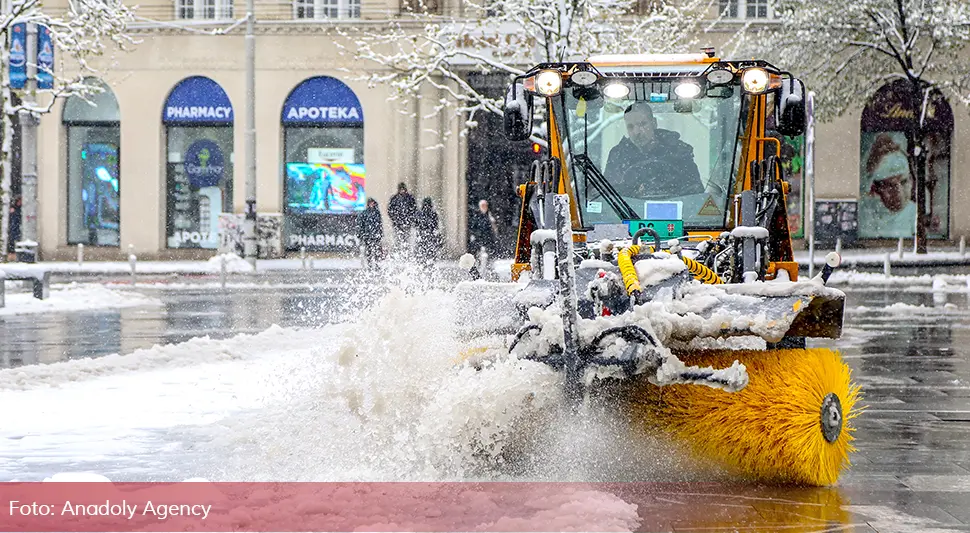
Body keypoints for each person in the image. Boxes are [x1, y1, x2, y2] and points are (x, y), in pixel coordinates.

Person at [603, 103, 704, 199]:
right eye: (630, 127)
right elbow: (609, 194)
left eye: (642, 124)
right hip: (628, 214)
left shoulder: (679, 151)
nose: (636, 132)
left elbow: (694, 193)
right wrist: (634, 192)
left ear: (654, 123)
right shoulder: (618, 155)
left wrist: (670, 191)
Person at [468, 199, 498, 276]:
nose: (484, 207)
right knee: (476, 254)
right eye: (482, 206)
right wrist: (477, 234)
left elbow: (493, 228)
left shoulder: (490, 215)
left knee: (490, 254)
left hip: (488, 238)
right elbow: (473, 227)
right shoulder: (477, 216)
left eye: (485, 206)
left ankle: (489, 269)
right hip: (479, 238)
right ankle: (476, 270)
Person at [387, 182, 417, 251]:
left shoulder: (410, 198)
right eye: (401, 189)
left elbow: (414, 209)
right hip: (397, 224)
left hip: (407, 223)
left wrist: (410, 218)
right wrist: (395, 218)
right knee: (397, 239)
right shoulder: (394, 198)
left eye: (403, 189)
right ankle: (398, 252)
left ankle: (405, 252)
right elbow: (390, 210)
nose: (402, 191)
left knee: (406, 240)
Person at [357, 197, 385, 270]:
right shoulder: (365, 213)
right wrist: (361, 234)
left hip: (375, 234)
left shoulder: (377, 213)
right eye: (370, 203)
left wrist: (380, 233)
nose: (371, 204)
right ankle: (369, 264)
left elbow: (380, 224)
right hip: (368, 234)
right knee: (369, 251)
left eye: (372, 203)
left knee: (376, 251)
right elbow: (361, 225)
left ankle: (376, 264)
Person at [415, 197, 442, 267]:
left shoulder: (419, 213)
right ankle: (429, 264)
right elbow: (436, 226)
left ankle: (422, 263)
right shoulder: (433, 214)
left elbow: (416, 224)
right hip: (430, 235)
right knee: (430, 252)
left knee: (422, 252)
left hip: (422, 235)